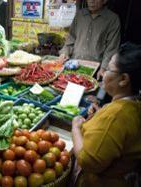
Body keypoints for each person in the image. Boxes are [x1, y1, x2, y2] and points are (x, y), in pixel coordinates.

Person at [71, 43, 141, 187]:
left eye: (109, 69)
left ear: (124, 79)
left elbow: (87, 161)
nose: (103, 74)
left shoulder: (115, 115)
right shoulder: (133, 104)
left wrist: (76, 128)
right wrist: (100, 114)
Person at [59, 0, 121, 79]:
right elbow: (71, 37)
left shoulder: (112, 19)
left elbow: (112, 48)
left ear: (105, 0)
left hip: (95, 69)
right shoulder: (80, 15)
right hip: (73, 65)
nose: (91, 1)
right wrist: (65, 52)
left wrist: (104, 68)